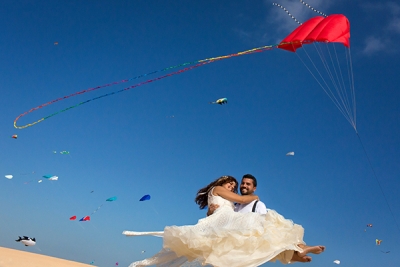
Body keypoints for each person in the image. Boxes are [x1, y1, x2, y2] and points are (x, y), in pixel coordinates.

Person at [123, 175, 325, 267]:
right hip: (226, 226)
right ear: (223, 182)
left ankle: (298, 251)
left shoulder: (246, 204)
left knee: (269, 234)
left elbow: (260, 223)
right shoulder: (224, 193)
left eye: (239, 185)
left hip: (232, 228)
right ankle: (297, 252)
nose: (235, 186)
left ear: (253, 186)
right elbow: (240, 201)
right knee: (266, 236)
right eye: (234, 183)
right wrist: (253, 197)